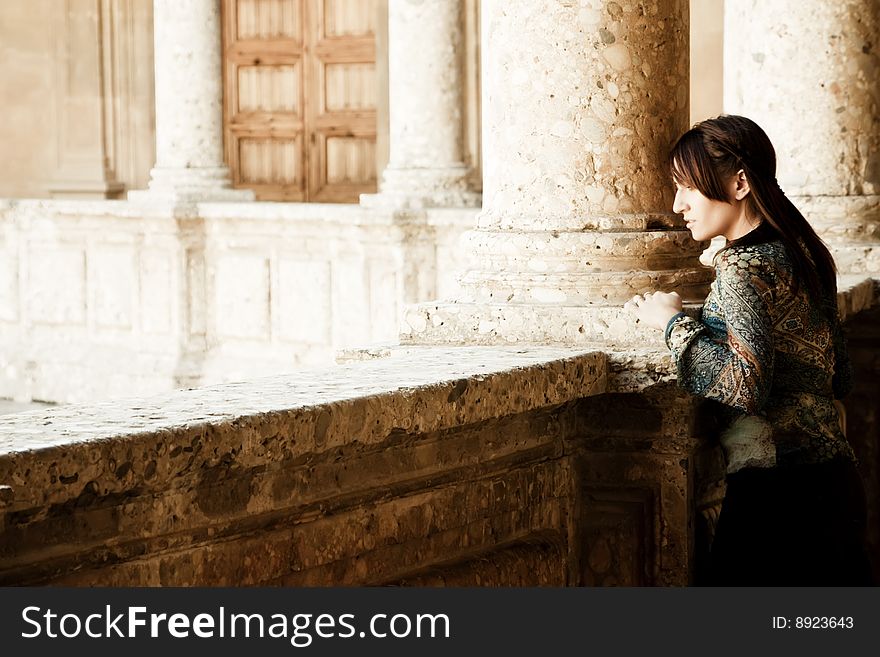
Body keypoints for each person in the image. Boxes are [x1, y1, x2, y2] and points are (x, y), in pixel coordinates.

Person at [624, 114, 874, 586]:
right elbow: (840, 377)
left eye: (687, 188)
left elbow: (745, 385)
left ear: (739, 183)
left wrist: (673, 323)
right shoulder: (804, 254)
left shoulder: (742, 271)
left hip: (776, 500)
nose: (677, 204)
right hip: (836, 480)